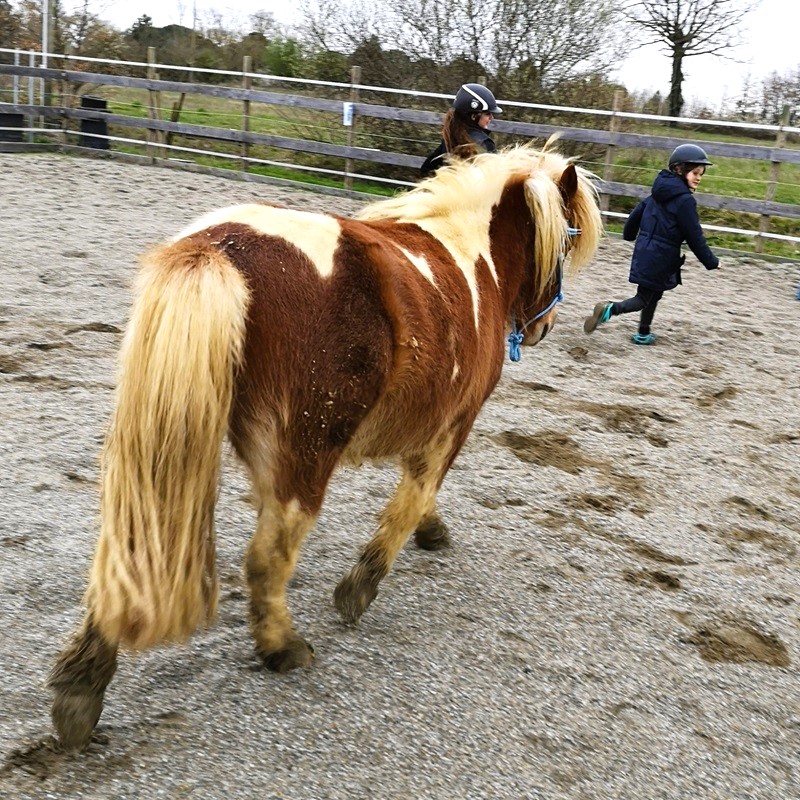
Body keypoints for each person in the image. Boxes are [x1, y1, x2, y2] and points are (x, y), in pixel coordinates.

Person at [583, 143, 720, 345]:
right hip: (662, 256)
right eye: (695, 173)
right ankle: (610, 309)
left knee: (653, 293)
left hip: (645, 251)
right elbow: (694, 236)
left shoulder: (655, 194)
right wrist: (711, 261)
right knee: (643, 298)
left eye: (701, 173)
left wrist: (629, 235)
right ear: (679, 170)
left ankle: (643, 332)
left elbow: (634, 217)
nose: (699, 177)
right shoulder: (685, 201)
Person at [420, 83, 502, 177]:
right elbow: (496, 178)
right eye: (488, 113)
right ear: (474, 116)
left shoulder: (450, 138)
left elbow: (426, 170)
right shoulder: (485, 143)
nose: (491, 117)